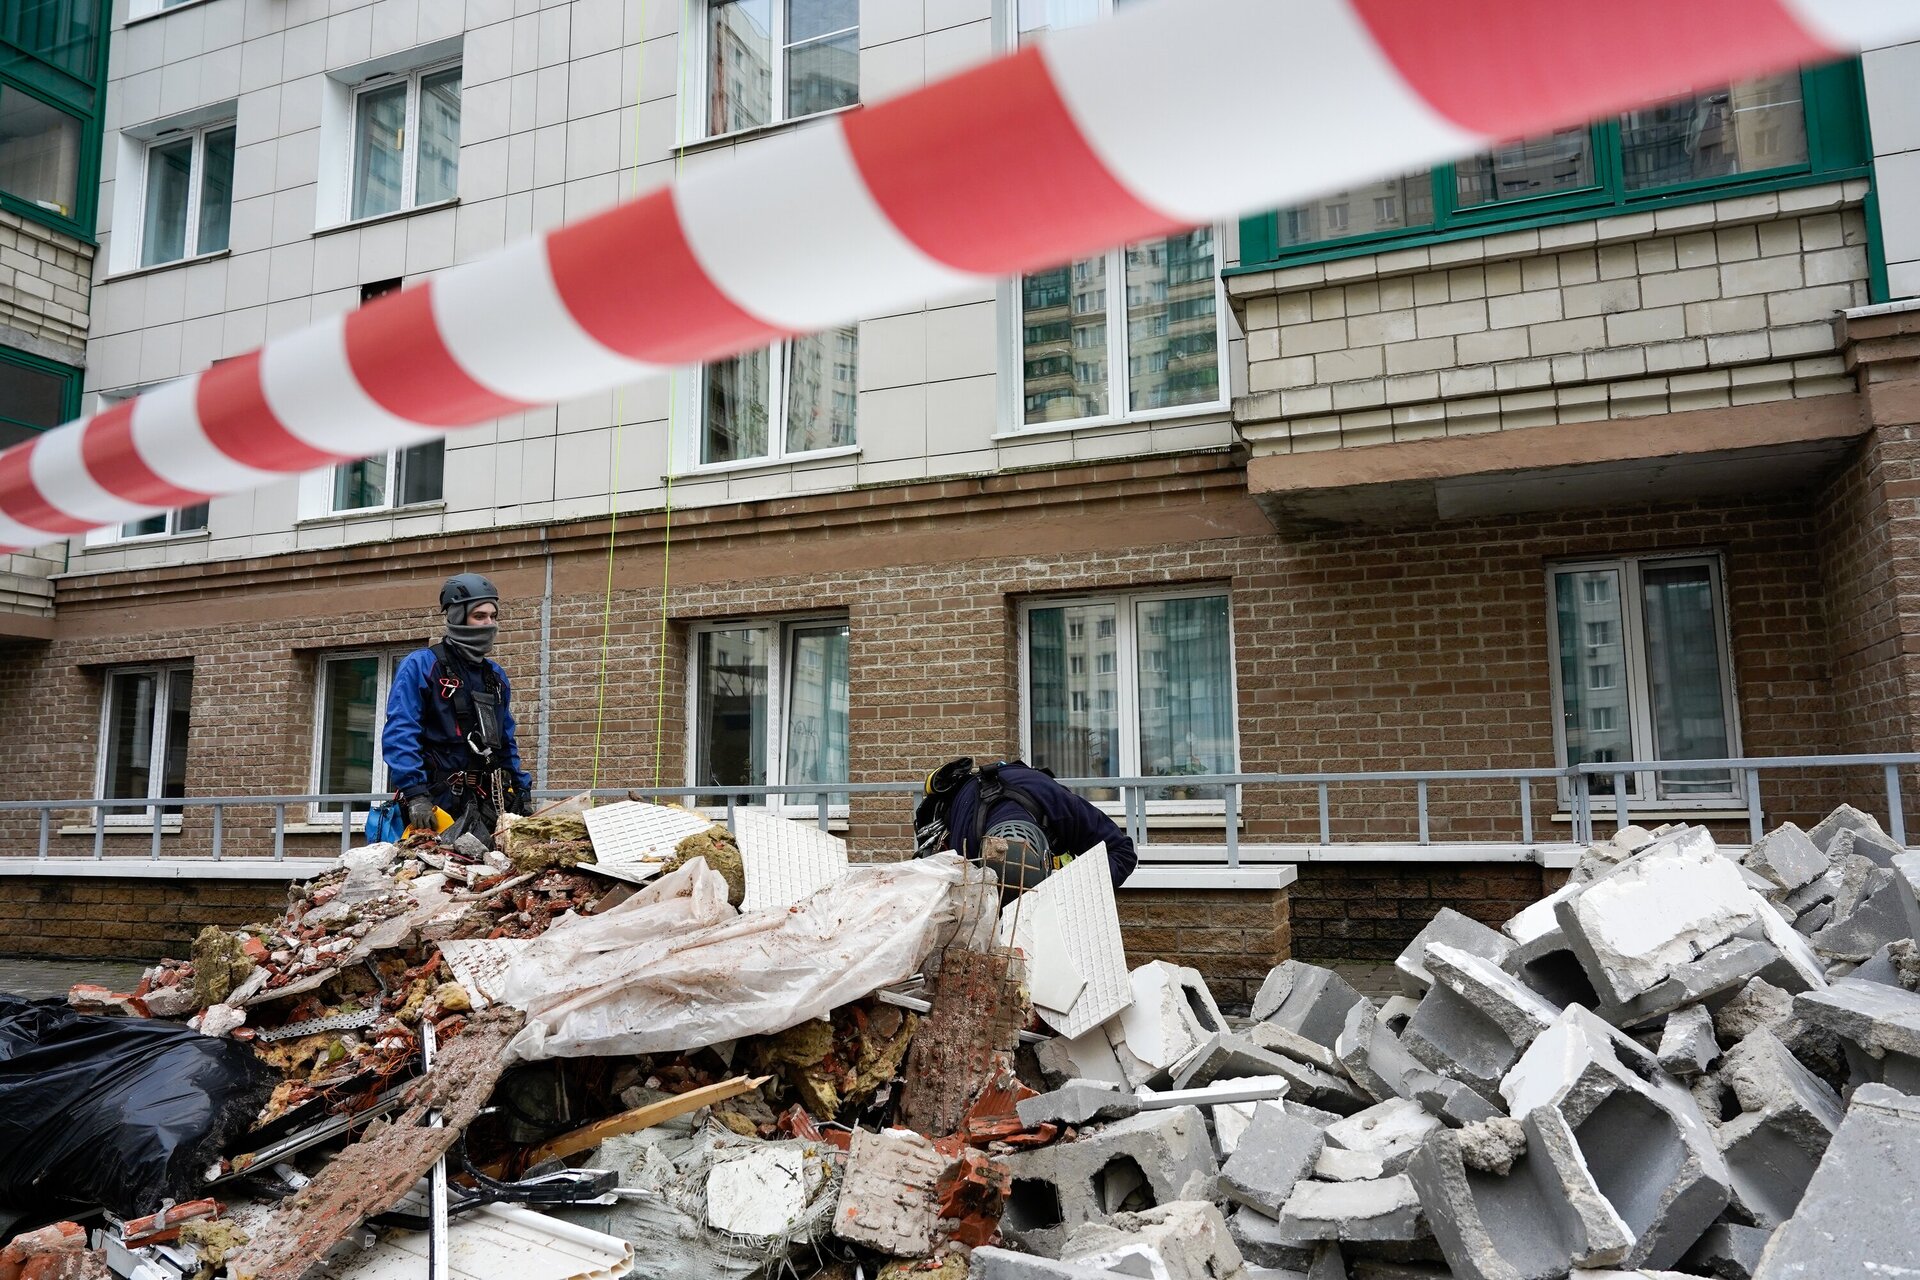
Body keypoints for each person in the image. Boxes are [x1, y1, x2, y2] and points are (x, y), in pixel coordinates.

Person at [381, 572, 533, 846]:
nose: (489, 624)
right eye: (479, 616)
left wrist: (522, 789)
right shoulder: (422, 666)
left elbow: (505, 739)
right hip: (435, 803)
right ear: (457, 617)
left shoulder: (494, 676)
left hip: (487, 802)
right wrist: (415, 794)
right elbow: (401, 732)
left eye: (493, 617)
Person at [914, 757, 1137, 896]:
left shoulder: (1056, 804)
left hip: (1057, 888)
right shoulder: (964, 847)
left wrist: (1076, 886)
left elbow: (1122, 852)